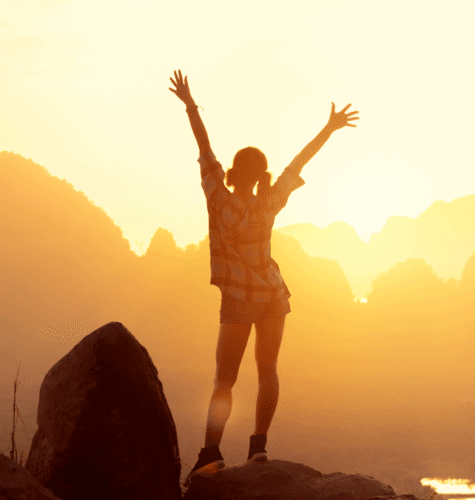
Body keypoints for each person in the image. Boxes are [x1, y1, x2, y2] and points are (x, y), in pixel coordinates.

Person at [168, 69, 358, 483]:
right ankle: (259, 447)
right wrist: (329, 128)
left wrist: (189, 105)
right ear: (262, 174)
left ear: (235, 171)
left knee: (225, 379)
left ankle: (211, 453)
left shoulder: (218, 195)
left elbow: (205, 147)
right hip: (273, 294)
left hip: (239, 297)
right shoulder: (270, 201)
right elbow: (299, 162)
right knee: (267, 370)